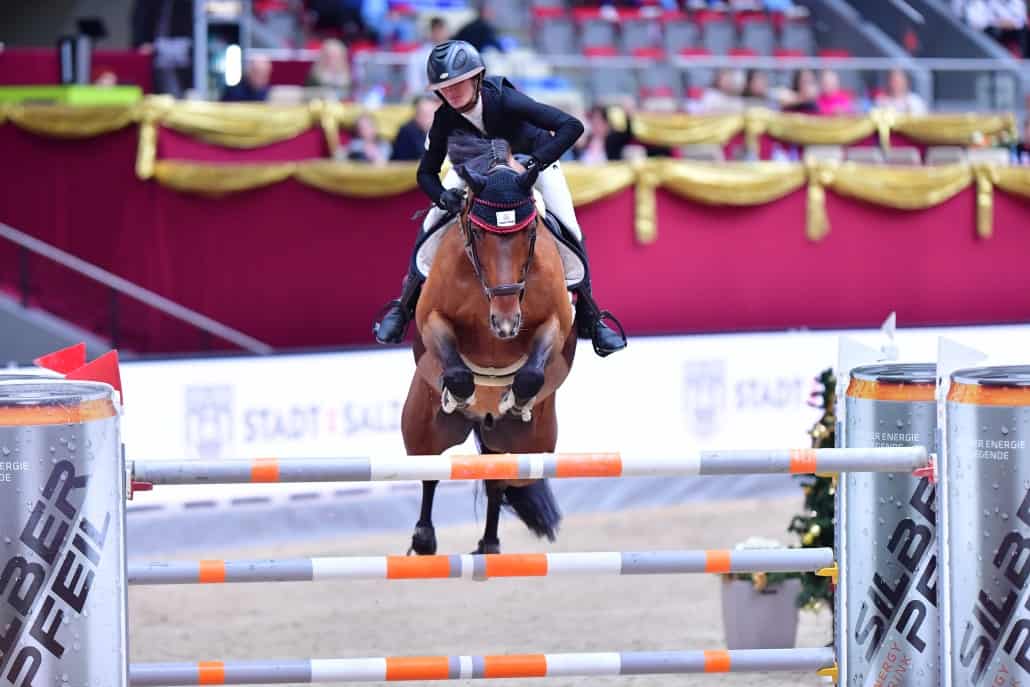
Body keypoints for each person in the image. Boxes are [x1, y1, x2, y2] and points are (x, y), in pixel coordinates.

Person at [373, 40, 626, 357]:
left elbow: (570, 126)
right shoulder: (443, 120)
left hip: (530, 162)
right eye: (444, 87)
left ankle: (592, 316)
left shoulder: (503, 98)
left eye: (457, 83)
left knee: (569, 225)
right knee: (431, 222)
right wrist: (442, 197)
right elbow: (425, 174)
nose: (451, 93)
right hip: (475, 168)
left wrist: (535, 163)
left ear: (476, 78)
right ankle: (404, 307)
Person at [391, 95, 438, 161]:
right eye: (424, 114)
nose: (428, 118)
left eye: (431, 114)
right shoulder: (407, 132)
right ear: (416, 114)